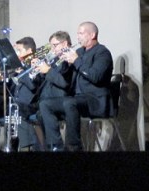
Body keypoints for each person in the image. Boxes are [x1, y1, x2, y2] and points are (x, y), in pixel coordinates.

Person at [39, 21, 113, 151]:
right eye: (77, 33)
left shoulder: (102, 53)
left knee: (70, 103)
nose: (78, 37)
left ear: (92, 35)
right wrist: (64, 61)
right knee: (45, 104)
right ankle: (55, 146)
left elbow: (95, 76)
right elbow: (66, 79)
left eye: (81, 33)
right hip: (78, 99)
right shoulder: (79, 51)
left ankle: (73, 147)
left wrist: (76, 61)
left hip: (95, 101)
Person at [32, 30, 75, 150]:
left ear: (64, 43)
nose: (52, 49)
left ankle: (56, 146)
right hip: (46, 101)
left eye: (54, 45)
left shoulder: (70, 59)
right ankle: (47, 147)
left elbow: (64, 83)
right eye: (51, 46)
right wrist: (38, 71)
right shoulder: (55, 61)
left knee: (42, 111)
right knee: (36, 113)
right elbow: (44, 82)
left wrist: (48, 70)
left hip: (62, 100)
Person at [10, 36, 41, 151]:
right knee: (11, 108)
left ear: (29, 51)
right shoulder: (20, 66)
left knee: (16, 109)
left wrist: (22, 73)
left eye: (19, 50)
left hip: (32, 104)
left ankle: (28, 147)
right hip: (19, 104)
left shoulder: (36, 64)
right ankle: (13, 145)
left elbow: (33, 86)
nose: (17, 53)